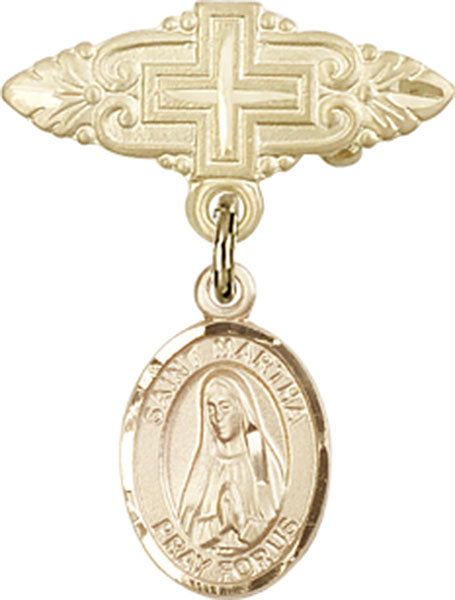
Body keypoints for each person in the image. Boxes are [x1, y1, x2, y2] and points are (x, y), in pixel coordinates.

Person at [178, 368, 285, 555]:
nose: (217, 417)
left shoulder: (260, 462)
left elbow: (279, 531)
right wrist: (220, 523)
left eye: (225, 407)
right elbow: (184, 531)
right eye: (211, 408)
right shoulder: (205, 466)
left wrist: (243, 524)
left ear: (241, 409)